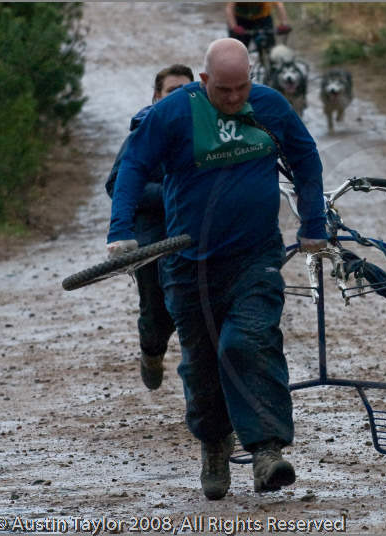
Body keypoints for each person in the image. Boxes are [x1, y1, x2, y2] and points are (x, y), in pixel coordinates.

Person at [106, 38, 327, 500]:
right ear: (204, 81)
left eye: (241, 88)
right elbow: (132, 167)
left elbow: (305, 159)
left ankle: (266, 451)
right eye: (224, 91)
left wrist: (313, 224)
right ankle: (214, 443)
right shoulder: (171, 115)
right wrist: (120, 230)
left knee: (248, 341)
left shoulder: (268, 104)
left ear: (252, 78)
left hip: (255, 255)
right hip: (190, 265)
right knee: (203, 364)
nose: (233, 99)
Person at [105, 64, 194, 390]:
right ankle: (151, 352)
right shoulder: (143, 132)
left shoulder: (203, 131)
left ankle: (205, 400)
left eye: (187, 89)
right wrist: (173, 194)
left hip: (195, 233)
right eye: (172, 90)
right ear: (157, 96)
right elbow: (117, 184)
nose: (180, 97)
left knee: (197, 314)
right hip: (153, 233)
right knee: (157, 317)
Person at [225, 2, 291, 49]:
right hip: (240, 20)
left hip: (262, 19)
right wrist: (234, 27)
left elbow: (279, 5)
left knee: (270, 47)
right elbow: (229, 9)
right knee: (237, 49)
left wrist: (284, 24)